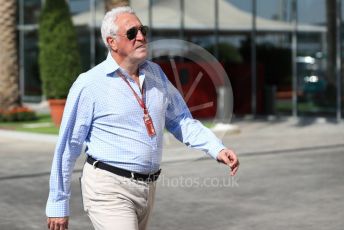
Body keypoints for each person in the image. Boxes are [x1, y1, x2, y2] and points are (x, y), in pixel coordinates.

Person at [46, 6, 239, 230]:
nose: (141, 37)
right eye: (131, 33)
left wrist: (216, 148)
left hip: (148, 188)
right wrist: (58, 203)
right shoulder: (90, 84)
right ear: (112, 42)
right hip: (108, 188)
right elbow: (67, 145)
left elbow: (181, 120)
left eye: (142, 30)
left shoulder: (156, 73)